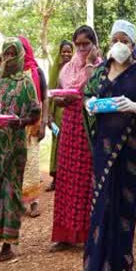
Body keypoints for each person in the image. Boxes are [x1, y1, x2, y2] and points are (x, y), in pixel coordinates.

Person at [82, 20, 136, 271]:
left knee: (124, 205)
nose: (119, 44)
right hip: (104, 147)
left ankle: (119, 265)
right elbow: (87, 96)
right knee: (102, 202)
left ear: (133, 44)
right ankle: (96, 267)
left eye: (124, 40)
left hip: (130, 148)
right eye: (115, 39)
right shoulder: (101, 71)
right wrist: (89, 104)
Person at [0, 38, 41, 264]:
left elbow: (35, 112)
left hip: (14, 145)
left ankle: (7, 245)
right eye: (7, 53)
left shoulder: (26, 82)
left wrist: (21, 122)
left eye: (14, 53)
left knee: (10, 193)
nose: (10, 58)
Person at [50, 25, 101, 251]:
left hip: (88, 129)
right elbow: (62, 93)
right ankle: (64, 235)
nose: (81, 48)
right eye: (78, 44)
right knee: (66, 179)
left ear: (94, 44)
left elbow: (97, 93)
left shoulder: (100, 67)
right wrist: (61, 101)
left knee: (84, 179)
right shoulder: (67, 69)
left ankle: (86, 233)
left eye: (85, 44)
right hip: (69, 127)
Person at [18, 36, 46, 218]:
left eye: (21, 49)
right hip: (15, 124)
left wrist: (44, 122)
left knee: (32, 163)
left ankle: (34, 203)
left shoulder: (36, 71)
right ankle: (18, 202)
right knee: (17, 164)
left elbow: (45, 96)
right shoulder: (9, 72)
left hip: (33, 123)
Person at [46, 40, 74, 191]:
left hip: (70, 113)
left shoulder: (76, 69)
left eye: (69, 51)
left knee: (69, 145)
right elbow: (50, 93)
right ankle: (55, 178)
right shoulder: (55, 70)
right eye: (64, 51)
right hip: (57, 113)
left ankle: (67, 178)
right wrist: (49, 115)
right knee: (57, 145)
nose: (66, 54)